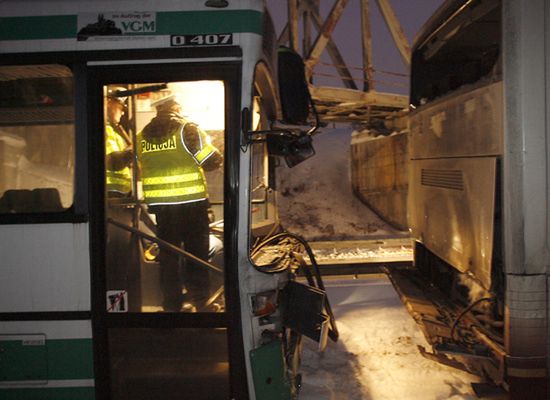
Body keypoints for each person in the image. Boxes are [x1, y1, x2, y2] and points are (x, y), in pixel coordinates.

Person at [136, 95, 223, 312]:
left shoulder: (141, 137)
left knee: (169, 256)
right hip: (191, 205)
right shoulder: (187, 130)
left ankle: (171, 304)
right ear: (176, 108)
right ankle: (201, 301)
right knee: (196, 254)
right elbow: (212, 161)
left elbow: (136, 163)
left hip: (163, 209)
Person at [105, 88, 133, 196]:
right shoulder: (105, 131)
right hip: (109, 193)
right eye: (120, 108)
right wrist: (132, 151)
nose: (122, 113)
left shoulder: (114, 131)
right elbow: (113, 162)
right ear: (108, 102)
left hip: (119, 193)